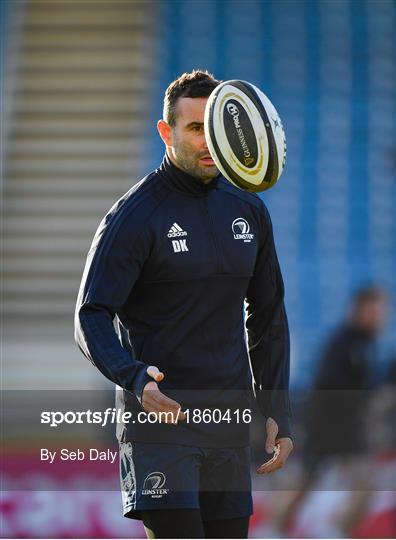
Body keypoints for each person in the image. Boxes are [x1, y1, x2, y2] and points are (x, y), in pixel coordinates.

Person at [75, 70, 293, 539]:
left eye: (212, 128)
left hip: (228, 425)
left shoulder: (249, 210)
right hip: (161, 425)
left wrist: (276, 406)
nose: (207, 141)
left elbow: (269, 316)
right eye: (194, 129)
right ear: (165, 132)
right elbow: (89, 316)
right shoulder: (134, 217)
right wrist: (134, 378)